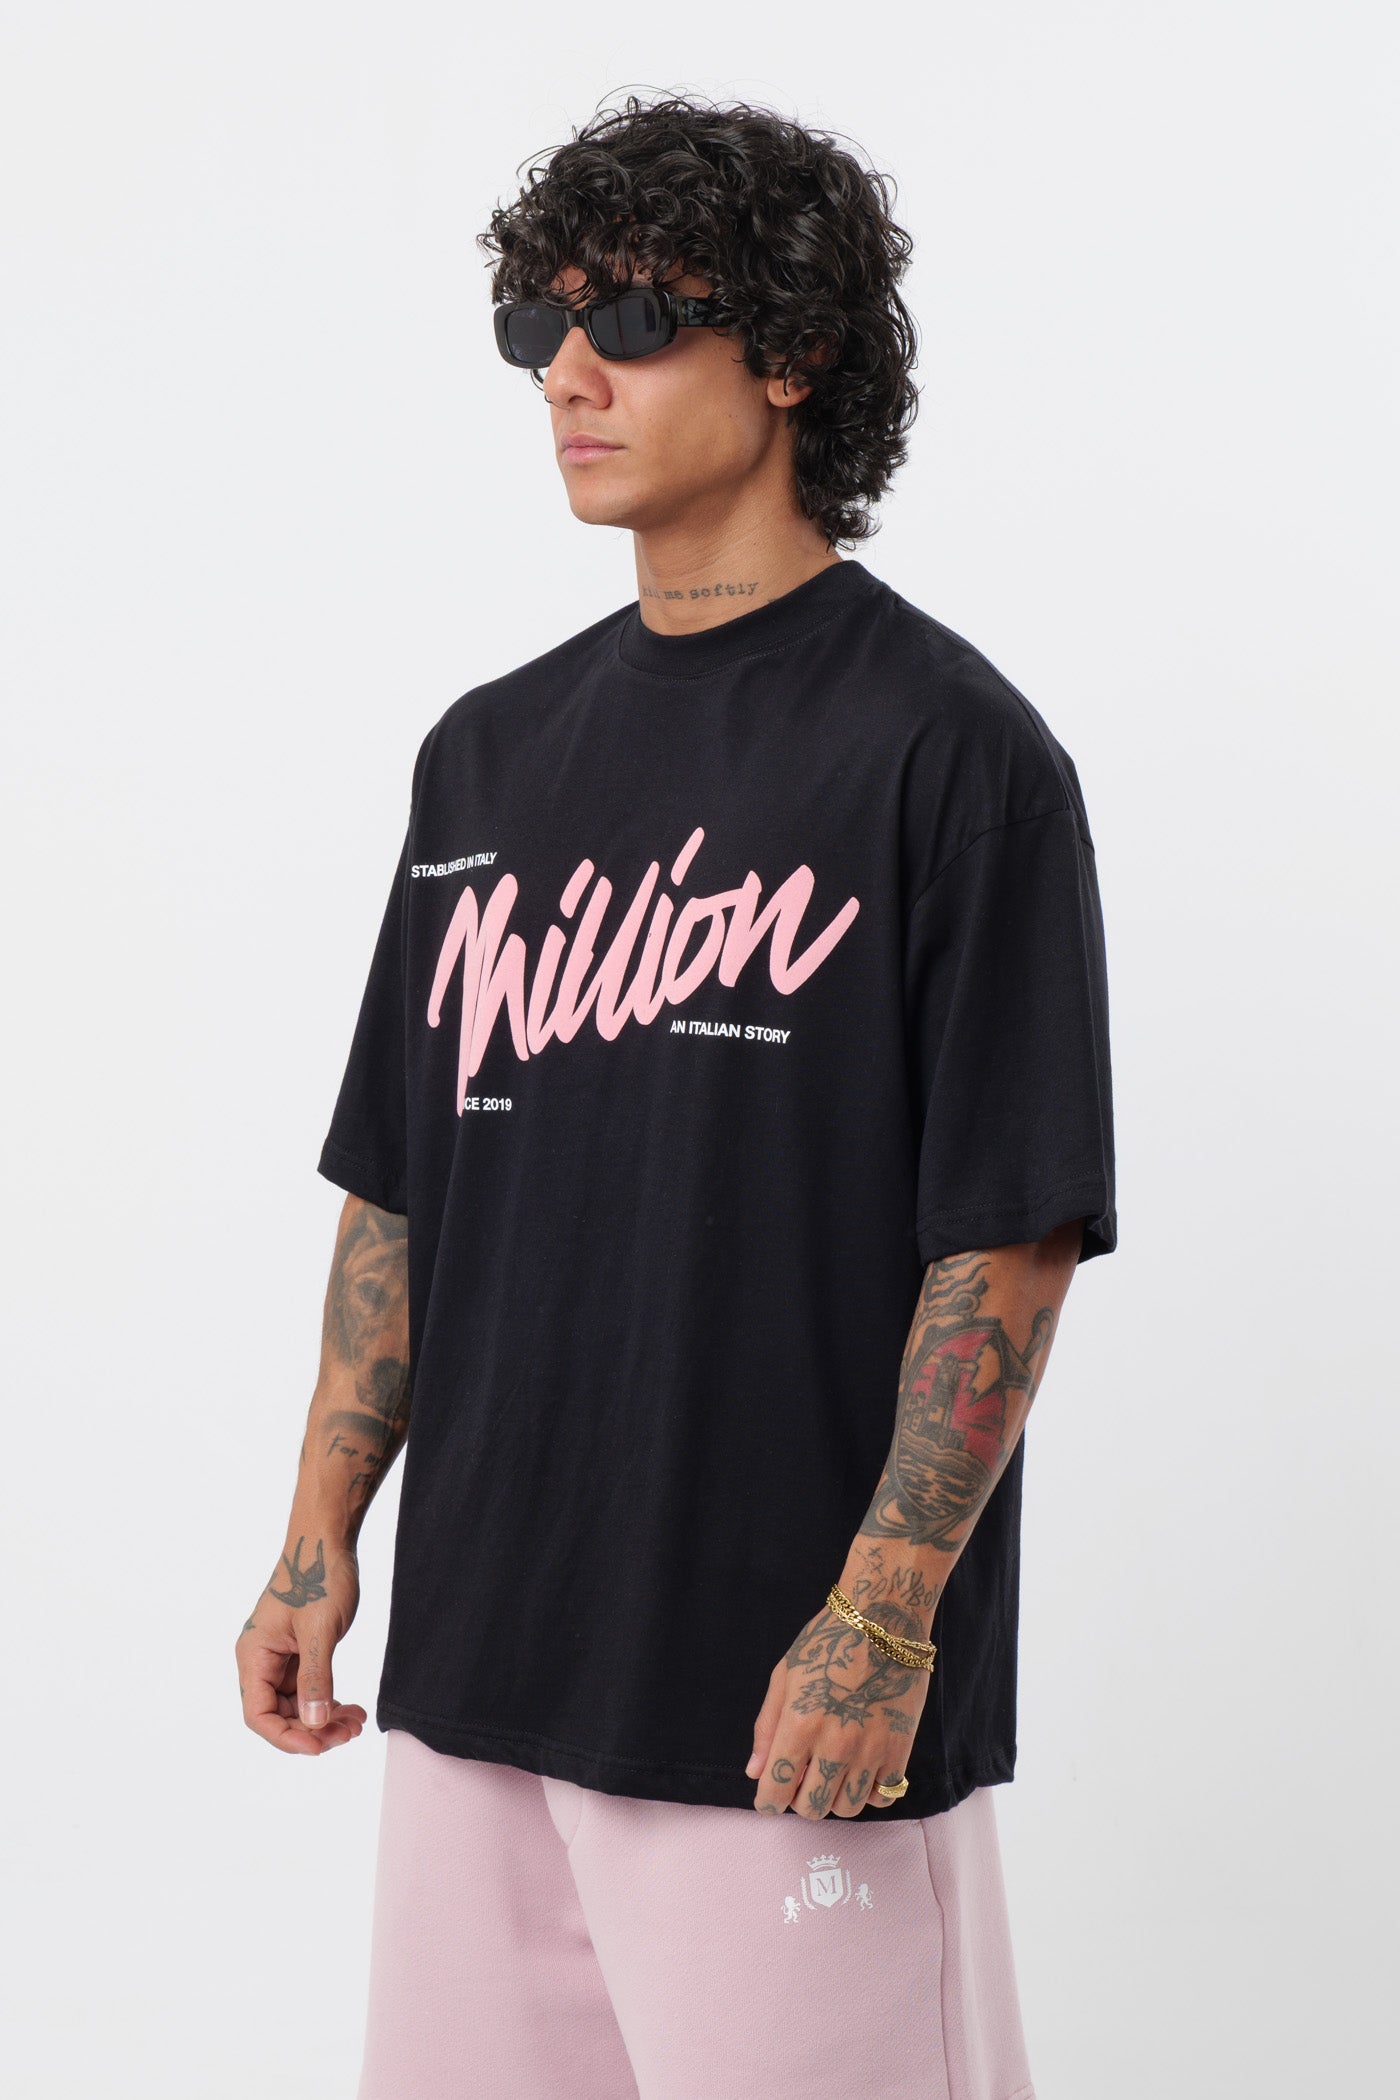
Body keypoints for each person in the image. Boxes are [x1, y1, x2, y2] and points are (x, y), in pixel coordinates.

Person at [236, 90, 1117, 2100]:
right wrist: (315, 1538)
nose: (567, 373)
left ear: (789, 351)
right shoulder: (485, 757)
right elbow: (400, 1190)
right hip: (478, 1671)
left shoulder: (951, 756)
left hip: (780, 1695)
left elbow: (1010, 1235)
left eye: (629, 318)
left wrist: (881, 1621)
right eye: (537, 327)